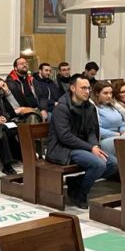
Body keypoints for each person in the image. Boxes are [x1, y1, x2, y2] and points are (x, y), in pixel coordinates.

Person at [46, 74, 118, 209]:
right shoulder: (62, 108)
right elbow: (65, 136)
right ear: (73, 88)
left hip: (82, 146)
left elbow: (91, 131)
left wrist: (94, 145)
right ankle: (80, 195)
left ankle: (77, 182)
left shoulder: (89, 107)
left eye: (88, 88)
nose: (87, 91)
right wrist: (90, 148)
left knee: (113, 164)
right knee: (98, 164)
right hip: (63, 149)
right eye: (83, 88)